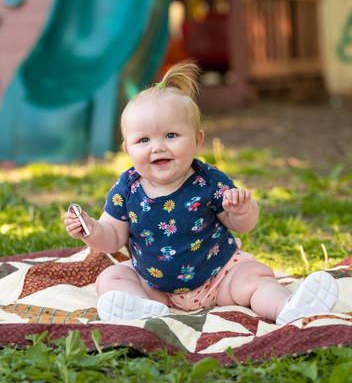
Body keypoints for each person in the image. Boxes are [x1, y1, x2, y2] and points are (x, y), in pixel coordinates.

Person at [64, 61, 338, 326]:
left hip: (220, 277)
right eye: (144, 140)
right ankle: (143, 311)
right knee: (111, 277)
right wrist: (90, 230)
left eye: (171, 135)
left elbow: (242, 226)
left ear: (197, 141)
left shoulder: (209, 181)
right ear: (127, 150)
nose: (157, 147)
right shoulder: (126, 189)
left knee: (254, 277)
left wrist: (242, 210)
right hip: (155, 287)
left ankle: (287, 307)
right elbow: (112, 238)